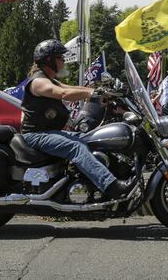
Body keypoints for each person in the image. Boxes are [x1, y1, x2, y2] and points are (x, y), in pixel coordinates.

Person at [20, 39, 131, 200]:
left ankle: (89, 183)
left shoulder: (49, 79)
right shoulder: (38, 82)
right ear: (48, 60)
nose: (63, 61)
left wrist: (99, 91)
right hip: (36, 135)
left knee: (90, 139)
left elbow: (69, 88)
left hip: (48, 132)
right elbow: (62, 93)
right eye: (60, 58)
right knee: (75, 147)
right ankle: (111, 186)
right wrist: (91, 94)